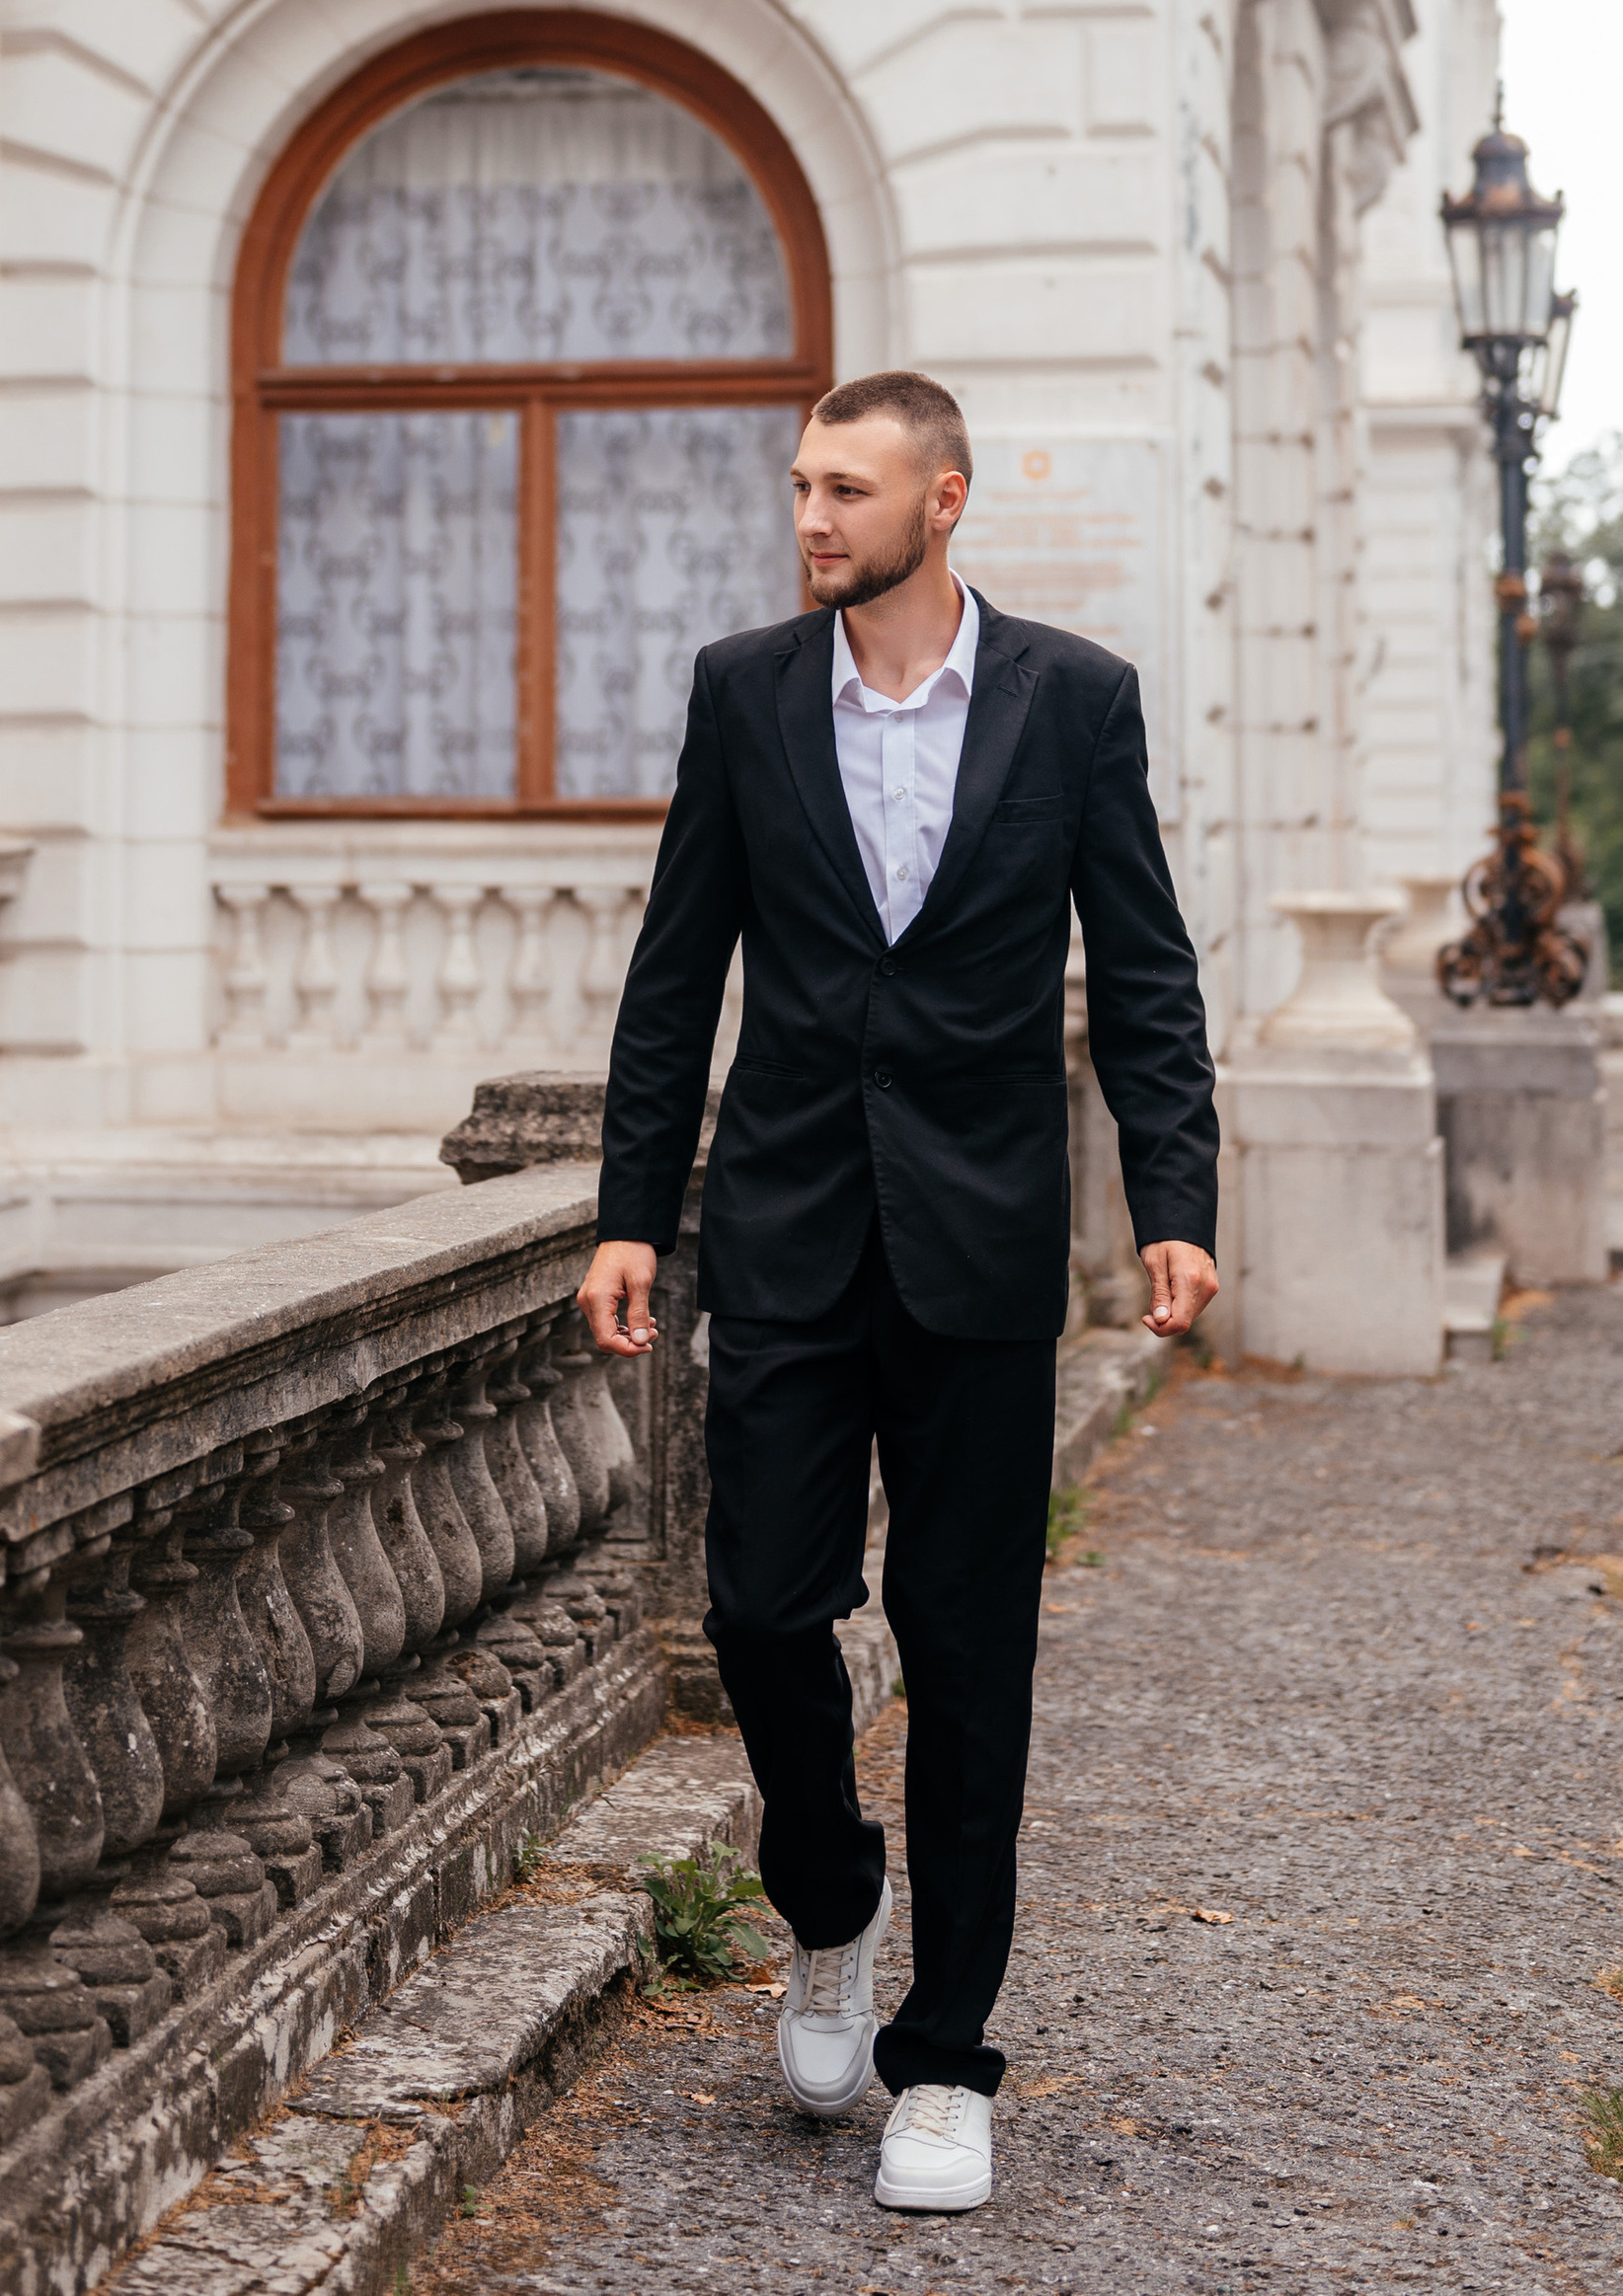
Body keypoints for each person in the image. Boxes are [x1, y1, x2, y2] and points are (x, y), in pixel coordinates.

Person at [578, 370, 1219, 2216]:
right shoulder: (745, 691)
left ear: (944, 502)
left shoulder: (1074, 701)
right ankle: (830, 1902)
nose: (810, 518)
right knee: (762, 1609)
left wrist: (1172, 1196)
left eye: (846, 488)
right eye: (799, 485)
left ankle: (946, 2057)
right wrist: (636, 1206)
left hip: (983, 1253)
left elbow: (1150, 974)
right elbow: (675, 962)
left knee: (969, 1657)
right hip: (784, 1236)